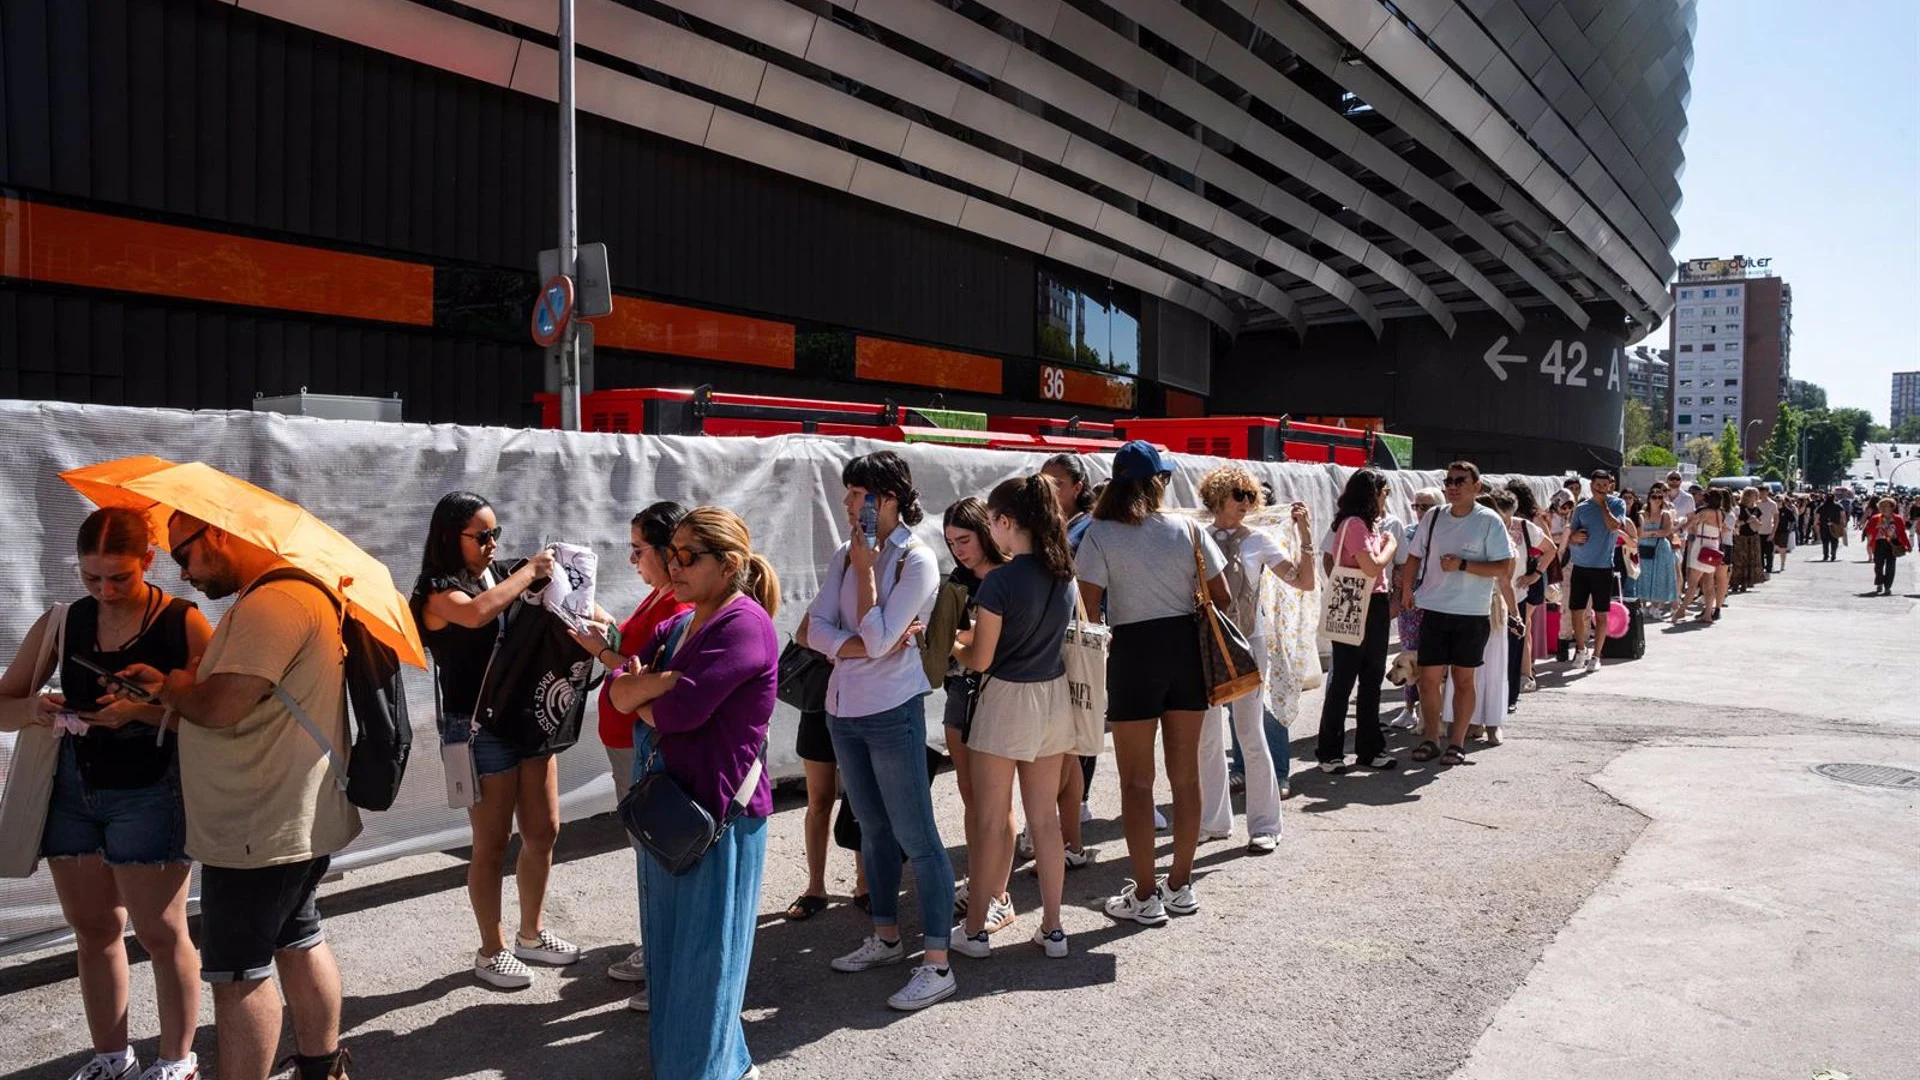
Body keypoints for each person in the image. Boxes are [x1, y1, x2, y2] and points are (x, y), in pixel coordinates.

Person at [110, 513, 357, 1080]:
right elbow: (240, 703)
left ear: (218, 532)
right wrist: (164, 695)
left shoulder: (274, 604)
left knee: (238, 973)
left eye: (184, 555)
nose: (182, 572)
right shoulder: (285, 594)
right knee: (298, 936)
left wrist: (176, 686)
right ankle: (324, 1071)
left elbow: (220, 708)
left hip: (256, 824)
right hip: (284, 815)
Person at [0, 509, 211, 1080]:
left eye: (119, 576)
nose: (105, 590)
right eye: (91, 578)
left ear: (148, 560)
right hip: (73, 789)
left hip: (151, 791)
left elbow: (218, 716)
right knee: (94, 928)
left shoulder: (183, 623)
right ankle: (112, 1056)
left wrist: (140, 710)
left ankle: (177, 1060)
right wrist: (34, 710)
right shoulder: (64, 621)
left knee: (161, 933)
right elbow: (4, 703)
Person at [608, 507, 779, 1080]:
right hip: (671, 812)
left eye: (687, 555)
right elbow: (615, 691)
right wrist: (651, 687)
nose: (673, 564)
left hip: (717, 820)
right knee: (670, 958)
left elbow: (679, 713)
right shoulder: (681, 624)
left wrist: (645, 693)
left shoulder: (743, 624)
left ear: (728, 564)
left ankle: (706, 1072)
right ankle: (717, 1067)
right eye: (672, 552)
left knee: (708, 965)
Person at [411, 493, 588, 989]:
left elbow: (559, 603)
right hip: (476, 728)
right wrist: (529, 572)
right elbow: (477, 614)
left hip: (526, 719)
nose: (492, 545)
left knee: (544, 830)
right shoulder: (437, 591)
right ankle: (491, 949)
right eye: (481, 536)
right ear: (451, 537)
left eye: (496, 535)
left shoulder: (501, 572)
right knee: (491, 844)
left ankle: (531, 934)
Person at [801, 451, 955, 1011]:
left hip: (892, 709)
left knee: (917, 834)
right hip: (844, 708)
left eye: (856, 493)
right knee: (872, 829)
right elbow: (809, 628)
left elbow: (881, 636)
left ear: (887, 499)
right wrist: (865, 644)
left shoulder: (916, 560)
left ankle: (937, 963)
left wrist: (867, 578)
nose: (847, 503)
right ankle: (888, 938)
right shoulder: (845, 553)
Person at [1076, 442, 1230, 925]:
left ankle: (1144, 895)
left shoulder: (1099, 532)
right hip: (1185, 650)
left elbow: (1087, 609)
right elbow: (1221, 595)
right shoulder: (1188, 528)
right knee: (1185, 777)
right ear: (1159, 482)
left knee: (1136, 782)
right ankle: (1180, 885)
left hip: (1132, 654)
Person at [949, 476, 1092, 958]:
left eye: (992, 521)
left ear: (1007, 522)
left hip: (1005, 702)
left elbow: (982, 658)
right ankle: (1053, 928)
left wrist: (949, 644)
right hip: (1053, 699)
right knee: (1045, 822)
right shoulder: (1064, 573)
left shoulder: (1001, 581)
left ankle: (974, 932)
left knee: (990, 820)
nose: (992, 530)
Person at [578, 501, 690, 1006]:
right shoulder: (658, 598)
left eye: (638, 549)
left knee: (655, 852)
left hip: (640, 741)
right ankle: (658, 948)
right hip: (626, 739)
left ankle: (664, 958)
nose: (632, 560)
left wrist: (601, 652)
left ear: (668, 553)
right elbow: (634, 650)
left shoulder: (678, 606)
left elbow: (647, 678)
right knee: (646, 850)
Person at [1198, 466, 1313, 853]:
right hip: (1205, 642)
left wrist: (1306, 536)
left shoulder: (1258, 539)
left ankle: (1265, 824)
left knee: (1250, 730)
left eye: (1249, 495)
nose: (1246, 502)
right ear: (1216, 496)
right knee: (1207, 736)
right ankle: (1213, 821)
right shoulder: (1196, 536)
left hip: (1249, 641)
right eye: (1238, 494)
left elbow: (1302, 581)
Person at [935, 497, 1021, 933]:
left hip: (1001, 694)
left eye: (964, 540)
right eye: (951, 543)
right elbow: (948, 645)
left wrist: (957, 637)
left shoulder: (1011, 576)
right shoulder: (956, 581)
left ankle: (999, 896)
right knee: (972, 798)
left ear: (987, 531)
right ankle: (980, 883)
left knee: (997, 801)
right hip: (959, 693)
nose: (958, 551)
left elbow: (994, 644)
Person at [1401, 461, 1514, 767]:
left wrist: (1464, 565)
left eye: (1459, 481)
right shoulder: (1435, 516)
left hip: (1470, 612)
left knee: (1464, 680)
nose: (1452, 486)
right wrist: (1407, 589)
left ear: (1476, 486)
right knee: (1427, 679)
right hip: (1434, 609)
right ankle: (1430, 739)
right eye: (1448, 481)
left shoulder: (1489, 521)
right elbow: (1413, 557)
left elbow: (1503, 567)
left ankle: (1457, 742)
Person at [1314, 469, 1398, 775]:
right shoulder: (1354, 525)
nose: (1386, 499)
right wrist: (1390, 545)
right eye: (1383, 493)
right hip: (1357, 603)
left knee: (1372, 677)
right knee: (1344, 680)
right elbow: (1371, 567)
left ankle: (1369, 748)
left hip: (1372, 603)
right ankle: (1329, 751)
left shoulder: (1365, 525)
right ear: (1371, 495)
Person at [1039, 453, 1101, 826]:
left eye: (1057, 483)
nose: (1049, 489)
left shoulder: (1089, 527)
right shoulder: (1044, 524)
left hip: (1081, 632)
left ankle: (1079, 803)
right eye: (1044, 481)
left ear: (1078, 488)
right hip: (1048, 634)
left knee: (1081, 714)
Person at [1444, 491, 1524, 745]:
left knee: (1491, 667)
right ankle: (1468, 721)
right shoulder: (1461, 538)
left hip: (1491, 610)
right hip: (1461, 607)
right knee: (1465, 668)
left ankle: (1491, 723)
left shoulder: (1503, 543)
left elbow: (1505, 582)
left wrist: (1515, 615)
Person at [1564, 469, 1630, 673]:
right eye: (1597, 485)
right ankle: (1581, 650)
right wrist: (1574, 537)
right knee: (1576, 610)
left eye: (1605, 486)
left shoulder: (1617, 504)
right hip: (1581, 566)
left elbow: (1614, 526)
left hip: (1603, 567)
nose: (1601, 489)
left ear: (1610, 486)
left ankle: (1597, 655)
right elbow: (1571, 533)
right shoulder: (1581, 508)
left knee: (1601, 614)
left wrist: (1603, 505)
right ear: (1591, 485)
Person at [1392, 488, 1442, 727]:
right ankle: (1409, 707)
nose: (1421, 511)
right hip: (1410, 599)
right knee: (1409, 652)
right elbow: (1398, 562)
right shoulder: (1409, 532)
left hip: (1438, 598)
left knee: (1435, 654)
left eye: (1426, 506)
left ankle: (1435, 710)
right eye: (1417, 506)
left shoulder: (1446, 533)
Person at [1503, 479, 1557, 702]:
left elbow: (1549, 547)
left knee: (1522, 626)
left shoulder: (1531, 520)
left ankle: (1525, 674)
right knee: (1521, 628)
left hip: (1528, 579)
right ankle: (1523, 671)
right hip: (1520, 579)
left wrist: (1535, 575)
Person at [1633, 482, 1684, 622]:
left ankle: (1655, 606)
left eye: (1659, 497)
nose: (1657, 499)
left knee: (1659, 576)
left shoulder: (1666, 514)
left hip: (1661, 548)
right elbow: (1639, 533)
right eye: (1654, 497)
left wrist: (1649, 533)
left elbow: (1666, 532)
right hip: (1643, 547)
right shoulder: (1641, 514)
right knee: (1643, 575)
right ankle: (1643, 605)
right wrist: (1655, 533)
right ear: (1649, 498)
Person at [1677, 489, 1726, 623]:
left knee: (1692, 583)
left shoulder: (1705, 512)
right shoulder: (1719, 513)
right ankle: (1708, 614)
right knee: (1708, 583)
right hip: (1713, 545)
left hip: (1702, 545)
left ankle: (1681, 611)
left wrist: (1680, 527)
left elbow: (1692, 524)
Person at [1863, 497, 1911, 595]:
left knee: (1891, 566)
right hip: (1879, 543)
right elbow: (1868, 531)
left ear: (1892, 507)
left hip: (1893, 544)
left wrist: (1907, 545)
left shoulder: (1898, 519)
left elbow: (1902, 533)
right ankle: (1880, 582)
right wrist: (1876, 527)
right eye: (1881, 506)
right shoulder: (1875, 518)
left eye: (1886, 506)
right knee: (1878, 565)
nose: (1883, 508)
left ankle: (1888, 586)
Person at [1729, 488, 1765, 593]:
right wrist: (1747, 521)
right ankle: (1735, 582)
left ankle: (1746, 583)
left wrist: (1757, 523)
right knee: (1739, 560)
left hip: (1753, 537)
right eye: (1754, 495)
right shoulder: (1739, 508)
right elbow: (1735, 524)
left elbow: (1760, 523)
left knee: (1751, 558)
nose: (1756, 497)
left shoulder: (1757, 510)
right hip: (1741, 537)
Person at [1757, 488, 1782, 575]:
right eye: (1760, 492)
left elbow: (1776, 519)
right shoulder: (1757, 503)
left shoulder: (1772, 504)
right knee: (1760, 552)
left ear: (1767, 492)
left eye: (1764, 492)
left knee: (1769, 552)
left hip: (1768, 531)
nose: (1762, 494)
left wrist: (1773, 532)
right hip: (1758, 531)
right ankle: (1761, 567)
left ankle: (1769, 567)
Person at [1817, 492, 1846, 561]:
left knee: (1825, 541)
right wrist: (1843, 524)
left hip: (1824, 525)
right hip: (1835, 525)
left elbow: (1817, 517)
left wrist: (1816, 524)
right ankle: (1833, 554)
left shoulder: (1821, 507)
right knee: (1835, 540)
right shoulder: (1839, 506)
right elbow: (1842, 515)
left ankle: (1825, 555)